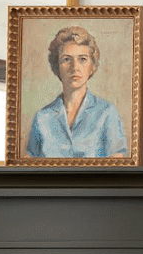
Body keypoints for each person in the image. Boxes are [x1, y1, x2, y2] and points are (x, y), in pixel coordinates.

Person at [25, 25, 129, 158]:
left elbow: (118, 164)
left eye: (82, 59)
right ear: (57, 67)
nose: (75, 67)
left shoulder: (107, 112)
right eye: (66, 59)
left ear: (92, 66)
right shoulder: (42, 117)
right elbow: (29, 167)